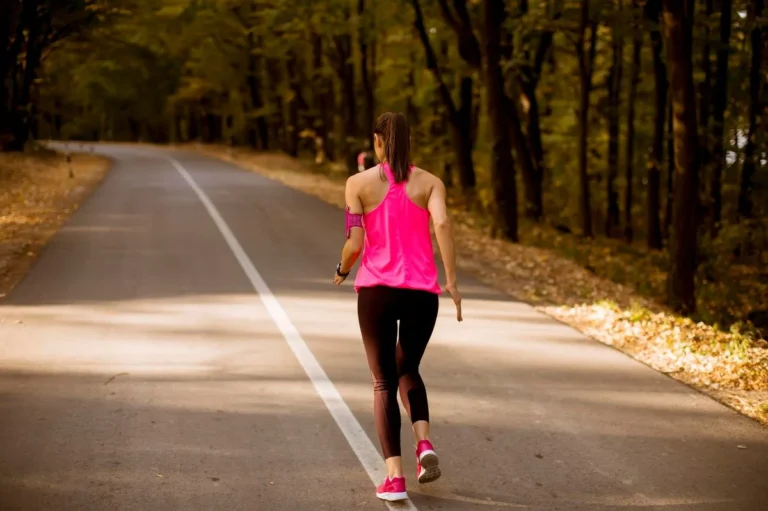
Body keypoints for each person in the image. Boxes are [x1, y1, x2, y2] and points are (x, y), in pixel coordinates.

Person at [332, 112, 462, 502]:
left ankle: (394, 477)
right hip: (423, 292)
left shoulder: (357, 184)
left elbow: (355, 242)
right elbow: (442, 226)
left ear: (376, 142)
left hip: (378, 291)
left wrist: (342, 269)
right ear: (410, 141)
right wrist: (451, 282)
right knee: (409, 368)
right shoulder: (431, 183)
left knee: (383, 381)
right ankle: (424, 444)